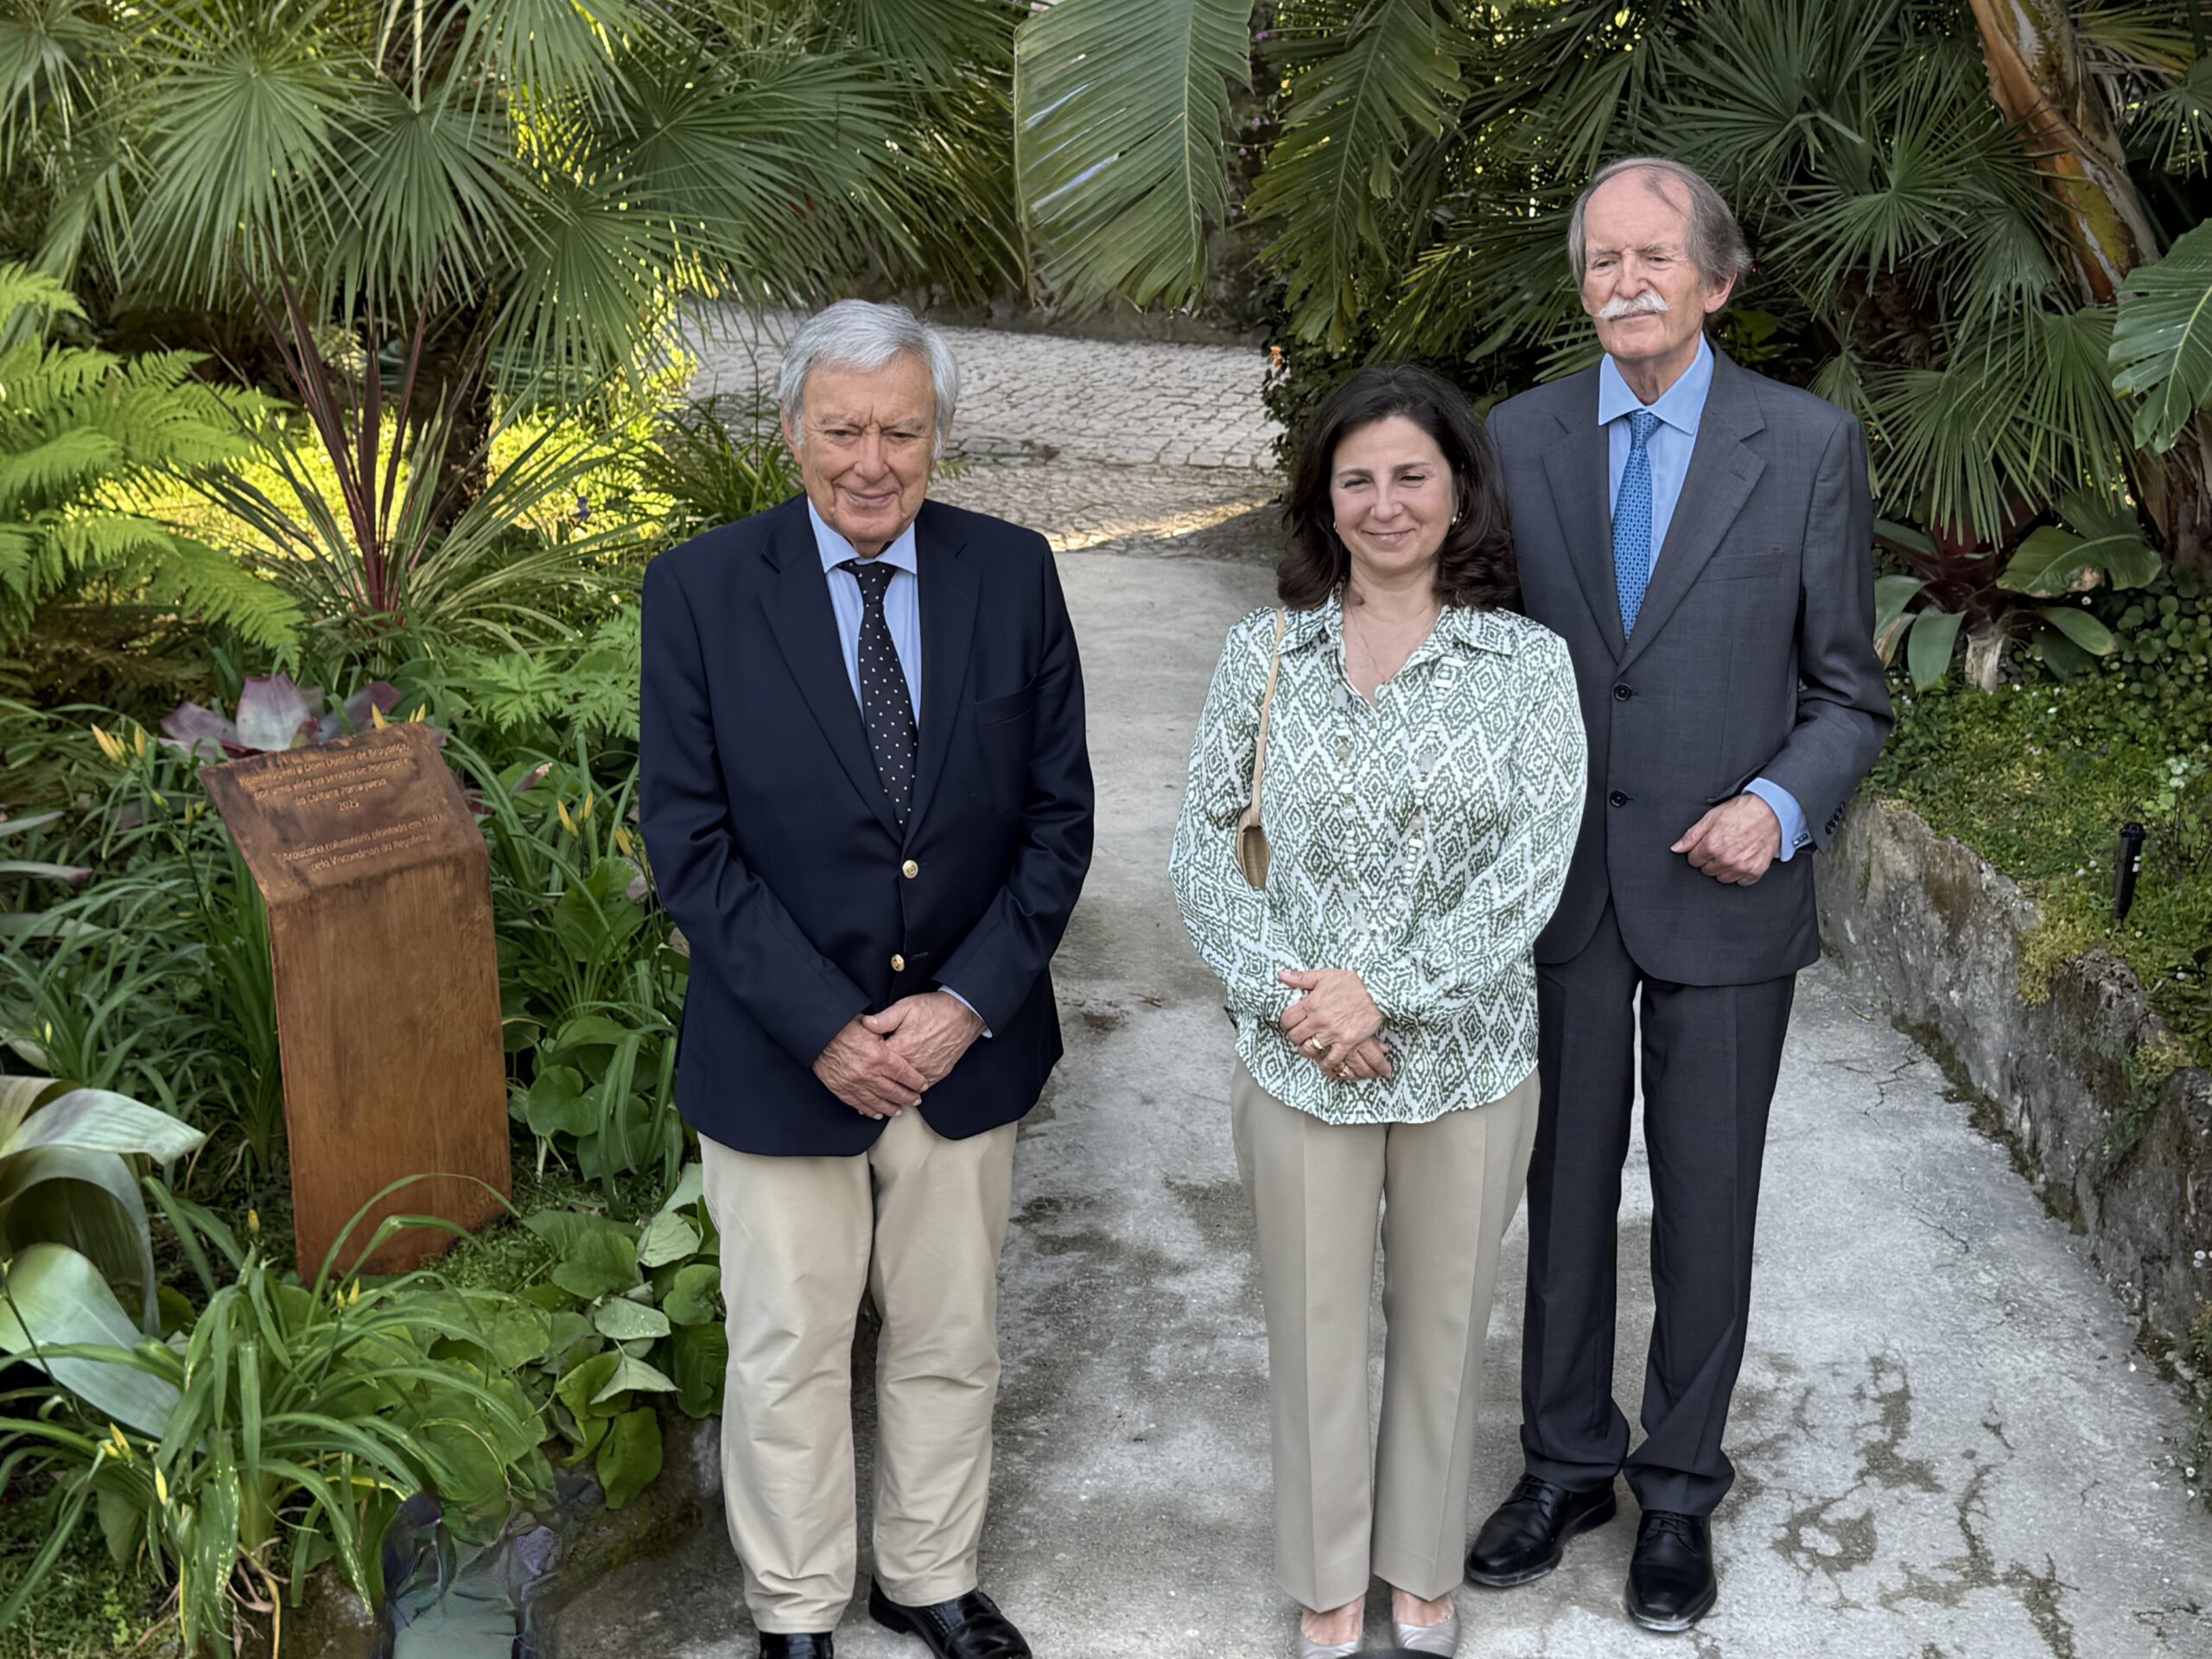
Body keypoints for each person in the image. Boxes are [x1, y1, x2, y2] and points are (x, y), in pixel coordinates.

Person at [1466, 157, 1892, 1632]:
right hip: (1564, 894)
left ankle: (1681, 1488)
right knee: (1564, 1190)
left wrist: (1778, 809)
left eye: (1656, 258)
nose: (1625, 283)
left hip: (1725, 900)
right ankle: (1564, 1462)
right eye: (1601, 261)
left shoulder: (1810, 446)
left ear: (1717, 280)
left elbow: (1851, 694)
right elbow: (1474, 666)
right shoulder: (1515, 441)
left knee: (1709, 1200)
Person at [639, 300, 1094, 1659]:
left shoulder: (1013, 574)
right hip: (780, 1056)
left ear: (940, 438)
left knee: (951, 1335)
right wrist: (829, 1025)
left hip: (967, 1050)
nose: (872, 460)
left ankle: (929, 1576)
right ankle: (795, 1610)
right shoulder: (704, 589)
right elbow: (689, 839)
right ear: (791, 432)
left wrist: (963, 1005)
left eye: (903, 430)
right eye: (842, 429)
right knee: (785, 1351)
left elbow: (1058, 824)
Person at [1172, 365, 1586, 1657]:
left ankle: (1421, 1566)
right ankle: (1326, 1576)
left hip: (1465, 1059)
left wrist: (1383, 992)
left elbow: (1536, 864)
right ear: (1324, 499)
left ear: (1459, 490)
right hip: (1299, 1060)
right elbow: (1197, 845)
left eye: (1412, 475)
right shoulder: (1265, 652)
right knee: (1312, 1328)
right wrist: (1297, 1004)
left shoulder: (1525, 664)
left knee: (1446, 1323)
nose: (1386, 502)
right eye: (1358, 478)